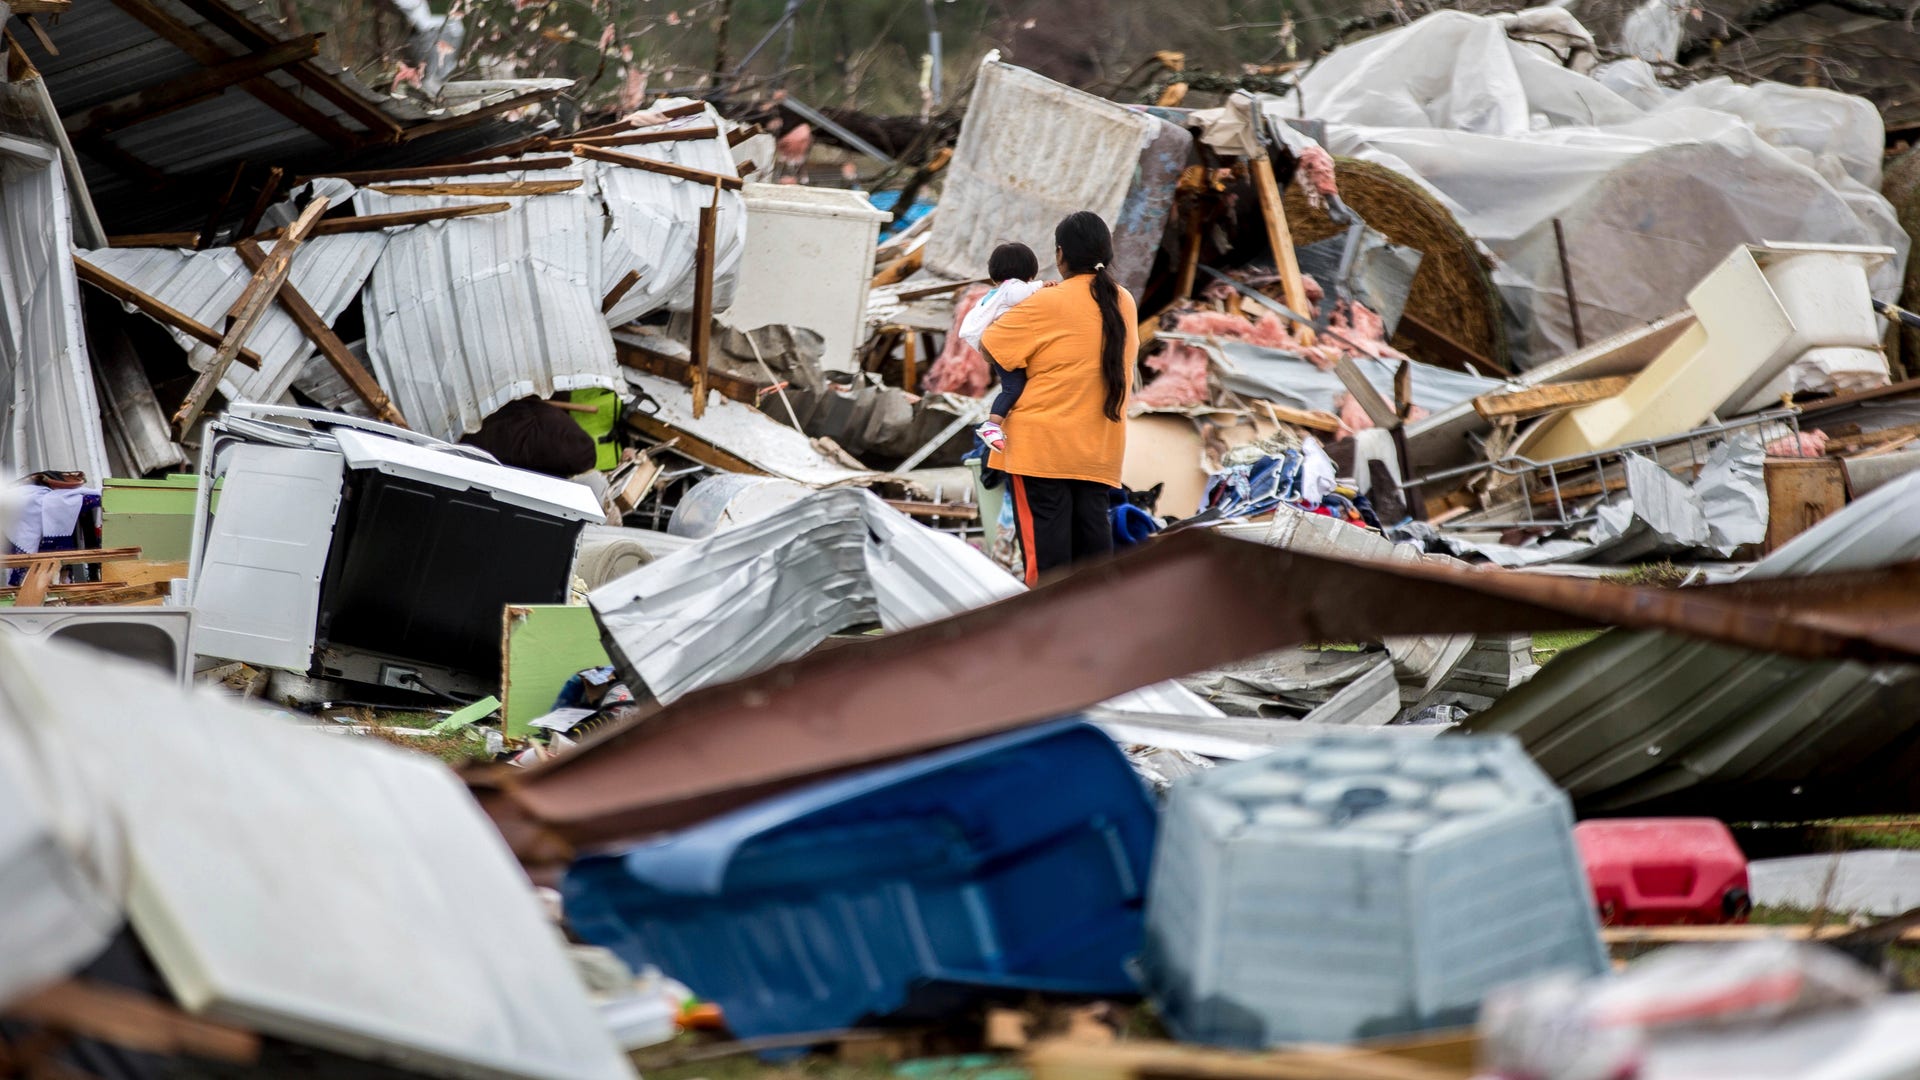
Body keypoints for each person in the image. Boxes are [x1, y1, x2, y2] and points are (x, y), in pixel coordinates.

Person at [980, 211, 1135, 586]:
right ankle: (1092, 637)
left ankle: (1049, 639)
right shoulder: (1124, 302)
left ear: (1060, 254)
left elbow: (990, 347)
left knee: (1048, 565)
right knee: (1092, 560)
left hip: (1041, 452)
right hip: (1099, 450)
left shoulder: (1045, 302)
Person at [959, 242, 1048, 453]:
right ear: (1029, 272)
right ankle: (992, 426)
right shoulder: (1013, 287)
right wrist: (1042, 286)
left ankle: (994, 425)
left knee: (1012, 387)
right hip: (1003, 350)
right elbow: (1020, 294)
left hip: (997, 349)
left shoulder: (997, 292)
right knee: (1013, 387)